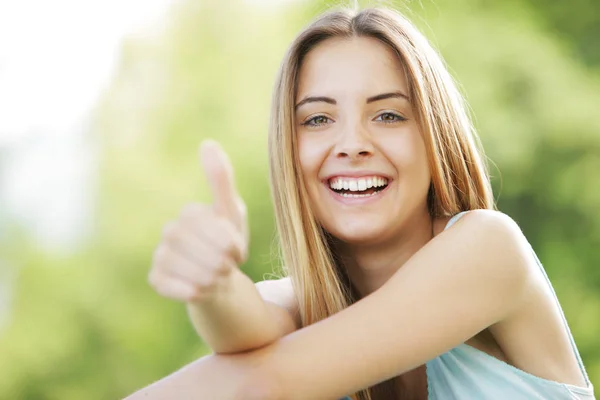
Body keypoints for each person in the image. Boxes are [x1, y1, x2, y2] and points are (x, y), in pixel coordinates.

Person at [127, 5, 595, 400]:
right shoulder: (311, 301)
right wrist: (213, 285)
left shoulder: (489, 249)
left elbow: (262, 380)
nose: (352, 144)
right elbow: (246, 329)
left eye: (388, 114)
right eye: (317, 119)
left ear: (435, 139)